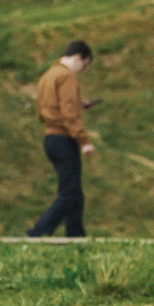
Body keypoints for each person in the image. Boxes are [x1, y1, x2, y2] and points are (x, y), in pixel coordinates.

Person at [28, 40, 95, 239]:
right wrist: (84, 141)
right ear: (77, 57)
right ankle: (38, 232)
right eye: (83, 65)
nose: (81, 71)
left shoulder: (48, 76)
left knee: (75, 191)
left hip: (50, 138)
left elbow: (46, 108)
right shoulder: (67, 77)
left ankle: (76, 236)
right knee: (70, 193)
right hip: (64, 138)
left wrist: (76, 103)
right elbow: (68, 114)